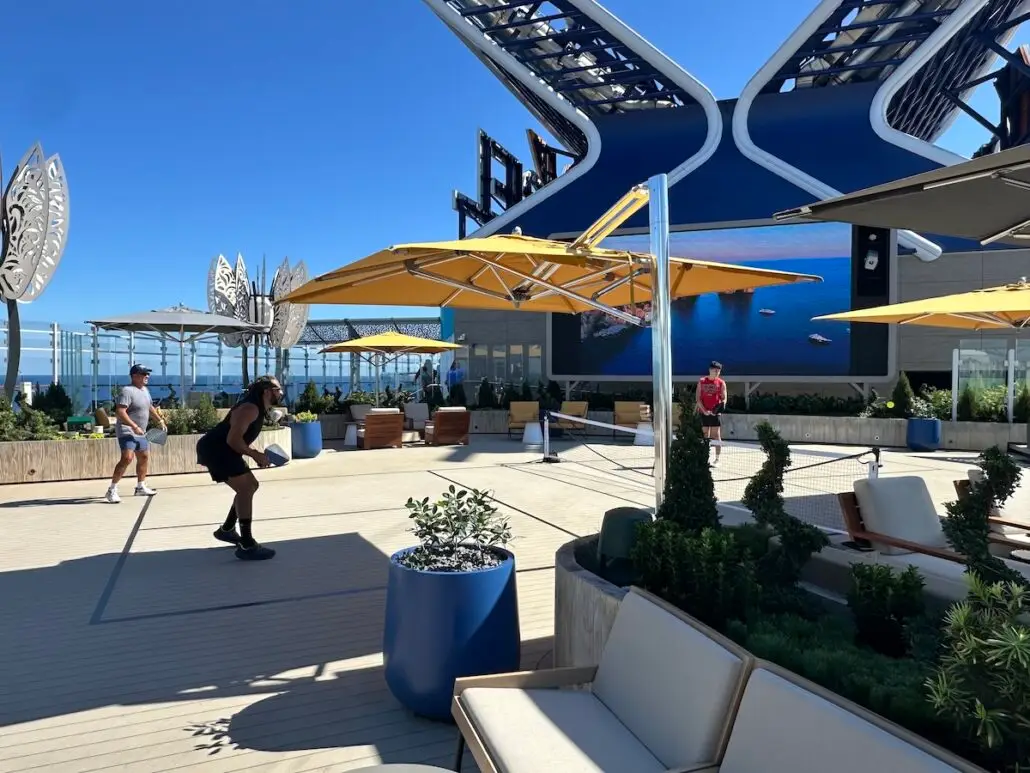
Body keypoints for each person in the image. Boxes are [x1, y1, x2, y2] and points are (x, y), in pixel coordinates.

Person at [196, 376, 282, 561]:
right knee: (246, 487)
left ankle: (227, 530)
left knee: (250, 486)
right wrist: (255, 454)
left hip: (224, 449)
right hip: (216, 450)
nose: (281, 393)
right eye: (278, 389)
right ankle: (247, 544)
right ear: (266, 391)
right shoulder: (250, 408)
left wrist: (255, 454)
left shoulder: (256, 407)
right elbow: (233, 440)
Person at [106, 364, 166, 503]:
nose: (147, 377)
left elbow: (150, 406)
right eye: (144, 374)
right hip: (127, 430)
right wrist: (133, 426)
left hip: (141, 431)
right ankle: (112, 490)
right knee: (127, 458)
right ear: (134, 376)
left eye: (147, 374)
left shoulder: (145, 390)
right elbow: (120, 412)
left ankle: (140, 487)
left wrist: (159, 420)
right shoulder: (127, 391)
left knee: (144, 457)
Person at [696, 360, 728, 466]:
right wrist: (705, 411)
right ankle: (704, 457)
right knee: (705, 435)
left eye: (719, 371)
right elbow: (698, 399)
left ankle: (717, 459)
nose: (717, 372)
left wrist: (717, 410)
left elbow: (724, 399)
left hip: (715, 414)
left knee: (716, 436)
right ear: (710, 370)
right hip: (704, 413)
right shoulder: (702, 381)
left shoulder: (721, 383)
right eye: (715, 370)